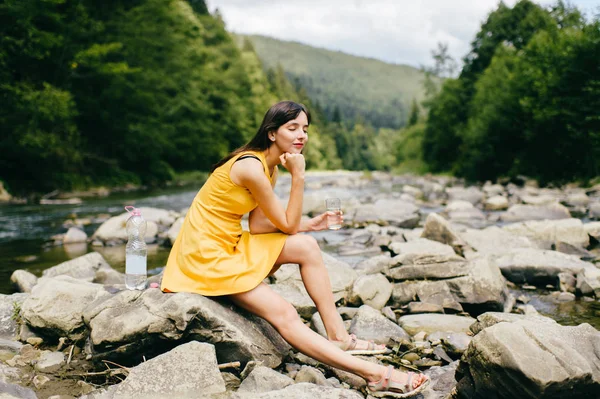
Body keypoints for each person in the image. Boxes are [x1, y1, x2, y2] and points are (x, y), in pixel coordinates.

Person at [161, 100, 429, 397]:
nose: (302, 135)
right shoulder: (251, 166)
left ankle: (338, 335)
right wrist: (299, 176)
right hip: (206, 257)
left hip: (228, 244)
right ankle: (374, 375)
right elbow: (286, 225)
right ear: (272, 133)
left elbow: (262, 226)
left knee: (306, 246)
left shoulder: (269, 166)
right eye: (293, 128)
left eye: (305, 129)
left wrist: (311, 225)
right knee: (285, 314)